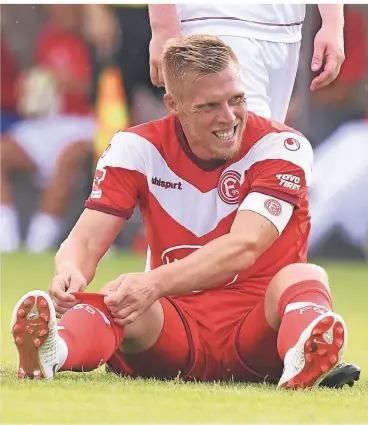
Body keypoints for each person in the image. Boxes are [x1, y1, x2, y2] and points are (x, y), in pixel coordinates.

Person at [12, 36, 348, 388]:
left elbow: (244, 246)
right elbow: (87, 237)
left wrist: (153, 282)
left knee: (303, 276)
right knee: (119, 296)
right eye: (209, 106)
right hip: (173, 332)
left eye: (236, 100)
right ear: (173, 104)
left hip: (259, 335)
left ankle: (300, 355)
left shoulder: (282, 147)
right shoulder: (136, 148)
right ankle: (53, 351)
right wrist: (70, 272)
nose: (229, 117)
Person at [0, 5, 95, 253]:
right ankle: (5, 238)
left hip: (84, 122)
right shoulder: (46, 36)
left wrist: (66, 80)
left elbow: (98, 88)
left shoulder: (94, 39)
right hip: (48, 122)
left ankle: (38, 243)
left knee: (66, 161)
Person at [149, 4, 345, 123]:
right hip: (216, 21)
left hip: (286, 30)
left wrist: (333, 22)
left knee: (263, 148)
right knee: (249, 146)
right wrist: (163, 28)